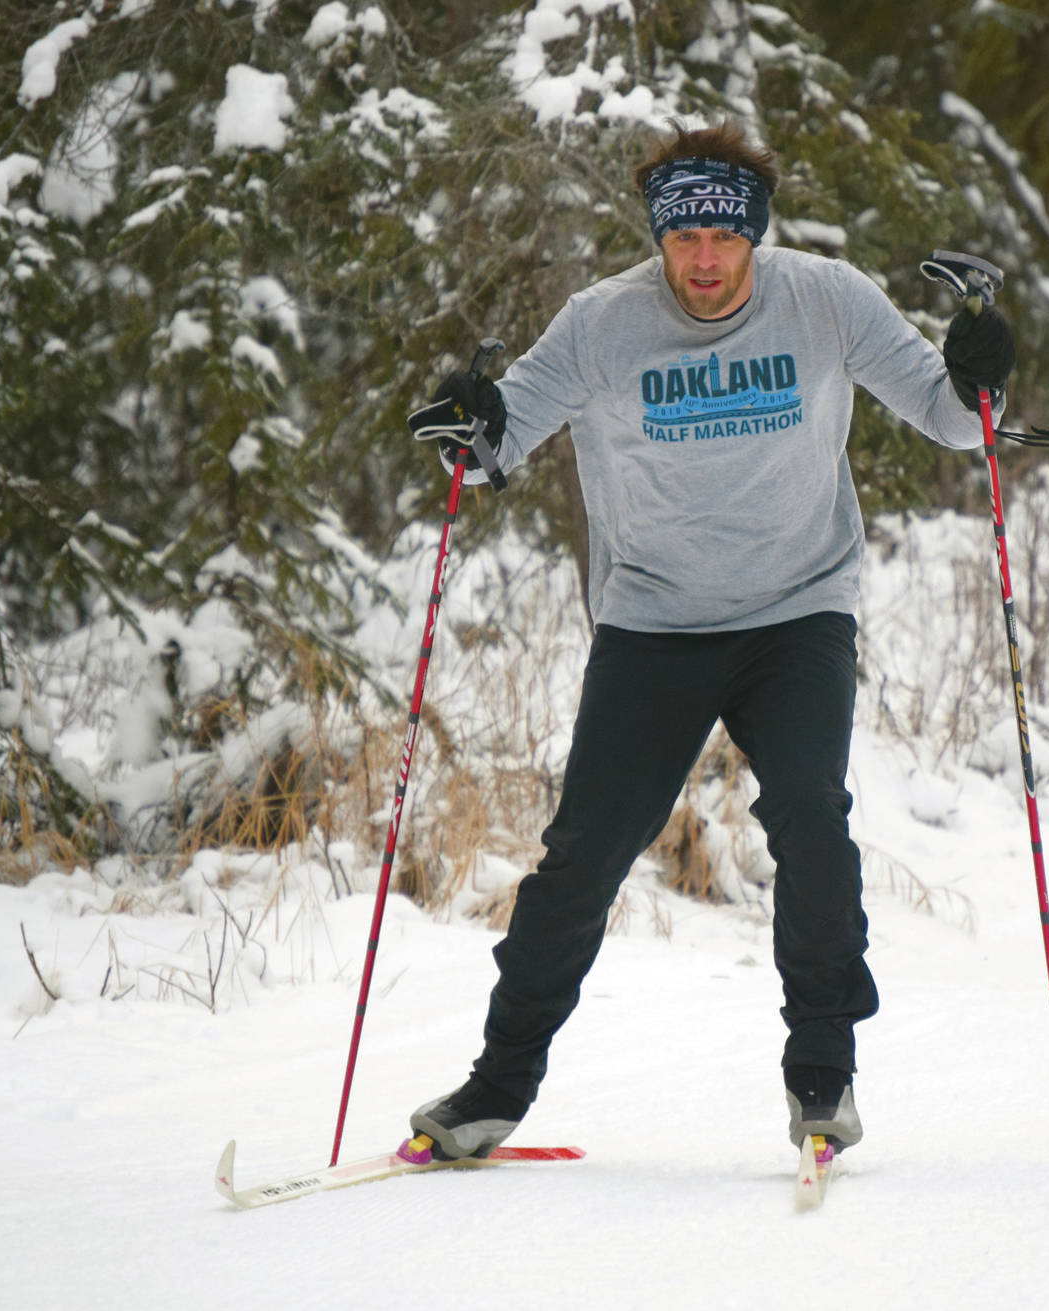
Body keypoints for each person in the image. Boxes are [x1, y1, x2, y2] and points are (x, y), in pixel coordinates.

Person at [400, 118, 1014, 1161]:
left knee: (811, 821)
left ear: (753, 235)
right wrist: (470, 423)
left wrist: (980, 369)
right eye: (681, 240)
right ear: (657, 237)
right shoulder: (601, 324)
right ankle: (495, 1090)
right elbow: (499, 436)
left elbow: (962, 423)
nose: (702, 261)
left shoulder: (823, 299)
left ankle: (821, 1077)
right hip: (654, 622)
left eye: (723, 240)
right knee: (582, 856)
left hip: (798, 609)